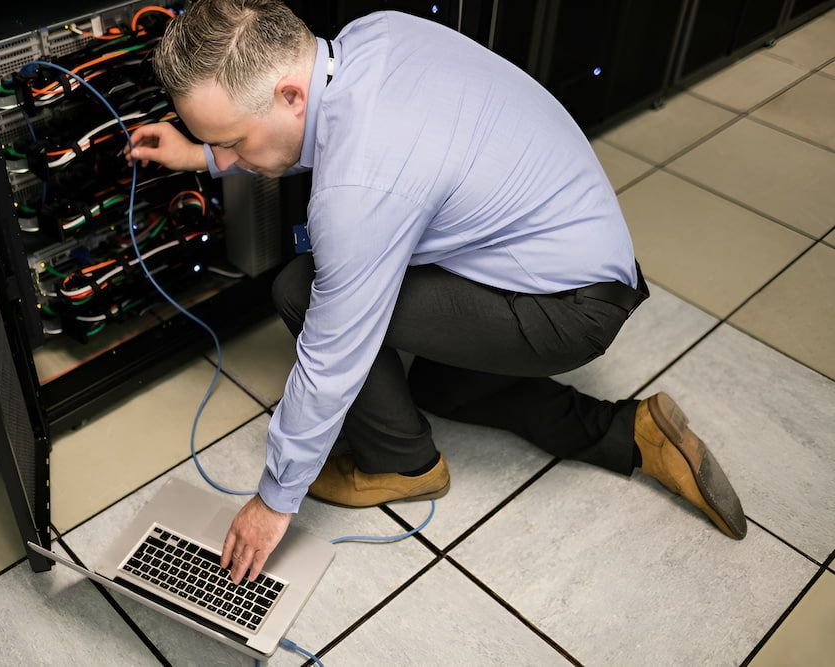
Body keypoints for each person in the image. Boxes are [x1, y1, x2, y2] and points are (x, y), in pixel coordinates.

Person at [126, 0, 747, 586]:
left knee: (304, 288)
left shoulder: (357, 192)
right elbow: (322, 137)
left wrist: (273, 499)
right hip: (579, 257)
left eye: (232, 138)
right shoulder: (374, 36)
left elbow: (332, 355)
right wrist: (207, 155)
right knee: (435, 387)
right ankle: (632, 431)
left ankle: (404, 466)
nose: (232, 152)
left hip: (570, 309)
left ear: (289, 94)